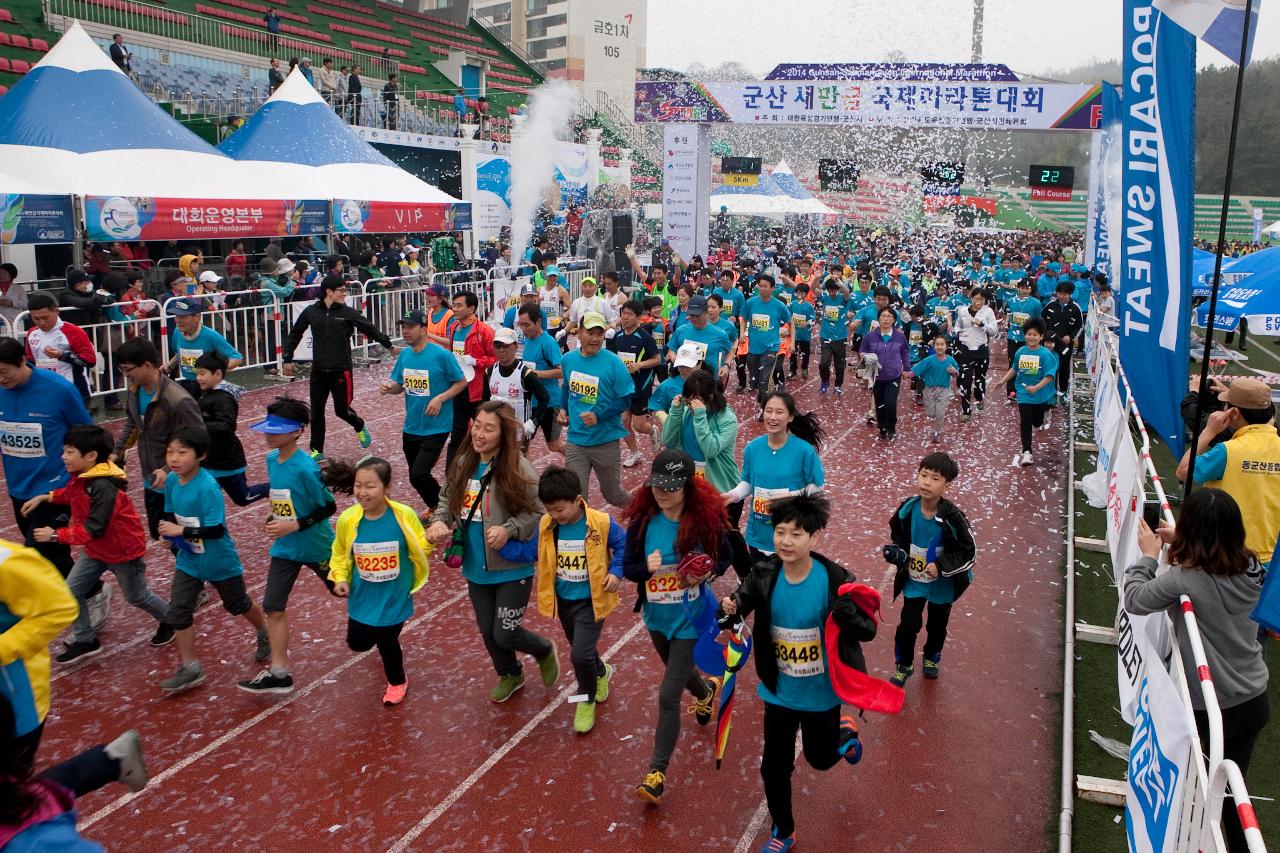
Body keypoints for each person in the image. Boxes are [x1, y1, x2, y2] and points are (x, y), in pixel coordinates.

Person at [717, 493, 869, 853]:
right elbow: (740, 603)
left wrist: (847, 612)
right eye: (780, 532)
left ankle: (844, 736)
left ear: (815, 537)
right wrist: (731, 607)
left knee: (818, 758)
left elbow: (867, 630)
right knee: (774, 767)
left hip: (822, 692)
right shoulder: (765, 573)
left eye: (796, 534)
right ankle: (784, 831)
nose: (786, 541)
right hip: (780, 690)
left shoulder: (836, 579)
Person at [1126, 488, 1269, 853]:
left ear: (1191, 531)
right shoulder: (1255, 567)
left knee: (1198, 791)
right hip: (1252, 699)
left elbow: (1135, 599)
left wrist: (1147, 556)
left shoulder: (1186, 579)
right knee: (1233, 794)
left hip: (1209, 708)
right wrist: (1184, 539)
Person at [0, 540, 148, 827]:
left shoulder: (8, 562)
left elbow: (61, 607)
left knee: (10, 801)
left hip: (14, 703)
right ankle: (110, 761)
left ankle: (106, 763)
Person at [426, 402, 559, 702]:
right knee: (488, 630)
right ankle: (510, 673)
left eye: (489, 429)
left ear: (503, 434)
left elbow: (540, 512)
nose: (480, 434)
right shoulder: (462, 462)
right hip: (475, 567)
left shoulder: (518, 468)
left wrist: (508, 529)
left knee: (505, 633)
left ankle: (543, 649)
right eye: (477, 426)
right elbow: (447, 499)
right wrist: (438, 521)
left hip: (511, 567)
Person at [621, 449, 732, 804]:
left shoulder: (703, 521)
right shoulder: (642, 522)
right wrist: (648, 569)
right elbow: (628, 568)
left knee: (668, 695)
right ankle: (704, 693)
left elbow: (728, 556)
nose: (662, 492)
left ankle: (656, 773)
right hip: (657, 619)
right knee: (678, 673)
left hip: (691, 620)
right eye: (657, 485)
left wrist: (708, 571)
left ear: (688, 486)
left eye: (670, 486)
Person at [21, 424, 171, 661]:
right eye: (64, 451)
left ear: (90, 456)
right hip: (96, 551)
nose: (63, 457)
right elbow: (71, 494)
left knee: (137, 596)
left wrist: (54, 535)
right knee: (70, 592)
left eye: (69, 452)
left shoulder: (103, 487)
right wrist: (46, 496)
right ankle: (85, 639)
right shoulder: (82, 477)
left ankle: (171, 619)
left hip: (122, 553)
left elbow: (94, 529)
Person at [156, 427, 271, 695]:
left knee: (237, 603)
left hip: (218, 560)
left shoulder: (207, 486)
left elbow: (216, 529)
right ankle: (190, 666)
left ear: (201, 456)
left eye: (182, 452)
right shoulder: (173, 481)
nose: (174, 458)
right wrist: (169, 536)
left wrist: (180, 532)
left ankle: (264, 630)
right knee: (178, 612)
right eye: (170, 452)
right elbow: (172, 515)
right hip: (188, 560)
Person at [235, 399, 337, 695]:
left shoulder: (307, 468)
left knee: (346, 590)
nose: (270, 433)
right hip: (285, 549)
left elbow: (327, 507)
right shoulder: (270, 460)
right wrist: (276, 515)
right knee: (272, 606)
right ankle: (280, 672)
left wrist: (294, 524)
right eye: (268, 426)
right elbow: (284, 497)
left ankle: (381, 621)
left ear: (298, 432)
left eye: (278, 428)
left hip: (317, 547)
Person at [326, 456, 431, 706]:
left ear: (387, 487)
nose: (362, 492)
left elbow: (420, 546)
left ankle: (397, 681)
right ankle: (378, 638)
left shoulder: (403, 516)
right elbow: (340, 552)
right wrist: (339, 578)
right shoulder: (348, 520)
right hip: (363, 597)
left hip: (394, 595)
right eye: (358, 485)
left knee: (387, 640)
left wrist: (434, 538)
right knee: (358, 643)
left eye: (370, 486)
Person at [532, 467, 626, 734]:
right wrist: (504, 547)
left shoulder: (600, 522)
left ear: (577, 499)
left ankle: (586, 698)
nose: (554, 515)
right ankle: (601, 671)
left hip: (592, 601)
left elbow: (624, 545)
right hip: (564, 601)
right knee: (581, 650)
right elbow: (534, 550)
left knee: (579, 654)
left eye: (559, 509)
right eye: (549, 509)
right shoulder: (549, 525)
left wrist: (616, 572)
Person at [0, 337, 93, 582]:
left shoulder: (59, 389)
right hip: (18, 486)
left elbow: (87, 432)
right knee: (51, 555)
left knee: (39, 551)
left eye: (3, 372)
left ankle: (86, 596)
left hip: (56, 487)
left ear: (21, 361)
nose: (1, 380)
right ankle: (88, 589)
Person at [282, 275, 397, 458]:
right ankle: (317, 450)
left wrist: (389, 346)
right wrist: (287, 358)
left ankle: (359, 424)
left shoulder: (348, 313)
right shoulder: (311, 312)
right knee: (316, 413)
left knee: (341, 410)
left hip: (341, 370)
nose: (345, 293)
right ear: (329, 291)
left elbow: (370, 328)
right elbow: (295, 333)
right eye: (341, 290)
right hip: (319, 371)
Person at [886, 452, 976, 687]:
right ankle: (903, 664)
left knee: (937, 625)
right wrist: (898, 552)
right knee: (908, 624)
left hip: (942, 585)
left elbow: (968, 552)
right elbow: (898, 533)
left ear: (946, 486)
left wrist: (940, 566)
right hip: (914, 581)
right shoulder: (907, 508)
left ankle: (931, 657)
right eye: (923, 475)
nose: (926, 482)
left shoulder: (952, 517)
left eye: (934, 478)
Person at [1175, 377, 1280, 565]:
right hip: (1271, 556)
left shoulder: (1228, 450)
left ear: (1234, 413)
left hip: (1228, 554)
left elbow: (1183, 471)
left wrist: (1208, 432)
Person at [111, 337, 204, 539]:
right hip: (151, 479)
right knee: (160, 534)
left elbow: (199, 439)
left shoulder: (178, 399)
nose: (126, 376)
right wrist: (115, 452)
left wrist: (167, 470)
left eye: (128, 370)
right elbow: (133, 423)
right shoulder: (134, 391)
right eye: (122, 371)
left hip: (179, 481)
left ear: (147, 365)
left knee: (187, 541)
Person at [722, 391, 825, 564]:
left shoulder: (804, 451)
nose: (772, 417)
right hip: (758, 535)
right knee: (761, 588)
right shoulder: (753, 448)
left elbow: (817, 488)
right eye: (768, 411)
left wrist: (790, 496)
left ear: (790, 417)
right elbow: (748, 482)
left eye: (779, 412)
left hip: (790, 536)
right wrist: (733, 495)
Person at [380, 310, 468, 513]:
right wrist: (388, 387)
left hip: (437, 426)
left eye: (410, 327)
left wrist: (440, 398)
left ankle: (444, 508)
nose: (405, 331)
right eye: (403, 327)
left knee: (419, 474)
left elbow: (461, 382)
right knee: (415, 474)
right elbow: (399, 385)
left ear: (423, 329)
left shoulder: (442, 355)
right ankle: (437, 505)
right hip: (412, 425)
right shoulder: (405, 356)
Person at [558, 312, 636, 507]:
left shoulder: (613, 362)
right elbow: (567, 387)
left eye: (599, 334)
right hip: (576, 441)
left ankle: (644, 510)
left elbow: (626, 398)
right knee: (576, 498)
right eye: (589, 332)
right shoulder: (568, 359)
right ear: (579, 332)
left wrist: (598, 415)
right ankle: (582, 536)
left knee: (613, 496)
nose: (594, 338)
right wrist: (563, 409)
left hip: (605, 441)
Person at [607, 299, 661, 467]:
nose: (625, 317)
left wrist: (639, 365)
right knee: (623, 422)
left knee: (639, 425)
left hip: (640, 387)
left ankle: (653, 431)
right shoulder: (617, 337)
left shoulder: (645, 338)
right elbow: (612, 360)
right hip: (622, 388)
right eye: (623, 313)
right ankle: (635, 453)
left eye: (630, 314)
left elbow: (657, 360)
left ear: (639, 317)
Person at [445, 291, 497, 466]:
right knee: (457, 433)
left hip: (479, 389)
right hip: (459, 387)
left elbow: (496, 358)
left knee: (484, 430)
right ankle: (451, 473)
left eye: (459, 305)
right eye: (454, 305)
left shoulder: (485, 331)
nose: (455, 309)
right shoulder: (453, 328)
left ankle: (488, 465)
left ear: (472, 308)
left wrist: (476, 361)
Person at [998, 318, 1059, 467]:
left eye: (1034, 335)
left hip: (1040, 393)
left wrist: (1037, 387)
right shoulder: (1020, 351)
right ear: (1025, 335)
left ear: (1041, 337)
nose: (1031, 337)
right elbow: (1015, 368)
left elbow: (1050, 376)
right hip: (1023, 392)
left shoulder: (1045, 354)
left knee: (1037, 421)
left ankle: (1040, 419)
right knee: (1025, 421)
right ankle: (1027, 452)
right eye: (1028, 334)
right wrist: (1003, 380)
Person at [24, 291, 97, 406]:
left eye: (45, 318)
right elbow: (30, 360)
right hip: (44, 390)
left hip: (73, 389)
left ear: (57, 311)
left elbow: (90, 360)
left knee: (77, 424)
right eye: (36, 319)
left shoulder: (73, 331)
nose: (42, 322)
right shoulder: (32, 333)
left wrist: (63, 355)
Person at [483, 326, 550, 441]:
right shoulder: (489, 372)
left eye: (505, 345)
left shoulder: (525, 374)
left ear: (515, 346)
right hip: (496, 431)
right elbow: (484, 401)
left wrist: (533, 422)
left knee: (517, 459)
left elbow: (544, 398)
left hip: (519, 433)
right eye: (497, 346)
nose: (501, 350)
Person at [516, 303, 566, 455]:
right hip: (530, 402)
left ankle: (579, 460)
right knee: (521, 445)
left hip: (550, 403)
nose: (523, 329)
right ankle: (527, 478)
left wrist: (534, 374)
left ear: (538, 322)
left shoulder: (548, 343)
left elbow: (562, 372)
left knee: (554, 445)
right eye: (521, 325)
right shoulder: (527, 340)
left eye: (527, 324)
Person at [740, 273, 792, 410]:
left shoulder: (779, 305)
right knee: (754, 378)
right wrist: (741, 334)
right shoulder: (751, 302)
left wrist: (792, 342)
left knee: (764, 379)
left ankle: (764, 408)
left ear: (772, 288)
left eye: (765, 286)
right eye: (760, 286)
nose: (762, 289)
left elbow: (790, 322)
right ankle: (762, 394)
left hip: (771, 348)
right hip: (753, 348)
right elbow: (743, 318)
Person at [859, 307, 911, 442]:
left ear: (894, 320)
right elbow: (862, 350)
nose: (886, 319)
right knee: (879, 403)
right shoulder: (870, 336)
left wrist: (906, 369)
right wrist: (866, 356)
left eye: (889, 316)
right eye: (883, 316)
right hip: (876, 376)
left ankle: (891, 426)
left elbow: (905, 353)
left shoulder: (900, 337)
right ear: (878, 318)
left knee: (890, 403)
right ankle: (882, 427)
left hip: (893, 376)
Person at [166, 298, 243, 381]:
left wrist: (214, 372)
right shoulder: (177, 332)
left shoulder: (210, 335)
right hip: (188, 383)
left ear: (197, 317)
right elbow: (179, 353)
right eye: (176, 316)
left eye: (182, 316)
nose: (177, 320)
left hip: (208, 386)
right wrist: (169, 366)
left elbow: (237, 358)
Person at [951, 287, 998, 422]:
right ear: (971, 298)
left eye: (981, 299)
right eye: (976, 299)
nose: (978, 302)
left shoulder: (988, 312)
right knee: (965, 381)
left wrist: (982, 324)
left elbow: (994, 331)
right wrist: (958, 332)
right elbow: (957, 325)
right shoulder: (963, 311)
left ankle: (979, 397)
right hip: (965, 350)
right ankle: (966, 410)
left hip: (981, 351)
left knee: (979, 380)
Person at [913, 336, 961, 443]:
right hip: (929, 389)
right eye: (937, 344)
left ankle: (937, 432)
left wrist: (953, 371)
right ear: (934, 346)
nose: (939, 347)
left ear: (946, 346)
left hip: (943, 389)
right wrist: (908, 374)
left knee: (940, 413)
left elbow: (957, 373)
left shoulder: (950, 360)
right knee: (931, 413)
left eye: (942, 344)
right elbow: (918, 368)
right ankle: (933, 414)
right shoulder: (929, 360)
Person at [1041, 281, 1083, 401]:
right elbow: (1042, 320)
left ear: (1070, 294)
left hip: (1066, 345)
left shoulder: (1075, 308)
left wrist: (1071, 337)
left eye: (1065, 294)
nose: (1061, 296)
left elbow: (1080, 326)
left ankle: (1063, 391)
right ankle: (1051, 394)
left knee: (1064, 368)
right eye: (1059, 293)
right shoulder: (1050, 305)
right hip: (1050, 345)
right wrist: (1045, 337)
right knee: (1050, 368)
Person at [1003, 278, 1042, 399]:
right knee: (1013, 362)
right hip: (1013, 337)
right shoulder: (1011, 301)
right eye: (1022, 287)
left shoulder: (1036, 303)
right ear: (1018, 288)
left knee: (1029, 363)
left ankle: (1028, 388)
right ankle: (1011, 390)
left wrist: (1035, 335)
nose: (1024, 290)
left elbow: (1038, 320)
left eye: (1027, 288)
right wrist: (1006, 323)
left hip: (1029, 338)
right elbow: (1008, 315)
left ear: (1031, 289)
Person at [815, 277, 851, 396]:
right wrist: (817, 278)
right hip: (825, 336)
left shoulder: (842, 298)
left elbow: (846, 292)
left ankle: (838, 385)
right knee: (824, 363)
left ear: (837, 290)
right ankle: (825, 382)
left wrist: (839, 283)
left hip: (840, 337)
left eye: (834, 290)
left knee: (839, 365)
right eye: (830, 290)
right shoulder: (825, 297)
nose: (832, 293)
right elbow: (812, 288)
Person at [787, 284, 816, 380]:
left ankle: (804, 368)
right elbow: (788, 316)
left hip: (805, 335)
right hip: (794, 335)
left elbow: (813, 320)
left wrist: (807, 323)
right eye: (798, 293)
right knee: (792, 353)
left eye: (802, 293)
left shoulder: (809, 306)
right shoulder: (793, 304)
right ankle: (792, 370)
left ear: (806, 294)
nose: (799, 295)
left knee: (805, 353)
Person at [0, 262, 27, 328]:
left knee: (17, 337)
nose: (1, 275)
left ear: (11, 275)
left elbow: (25, 304)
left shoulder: (19, 288)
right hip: (1, 319)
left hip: (16, 320)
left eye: (4, 273)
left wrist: (12, 303)